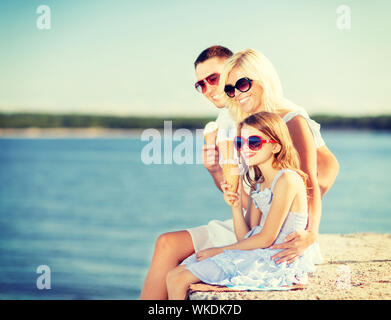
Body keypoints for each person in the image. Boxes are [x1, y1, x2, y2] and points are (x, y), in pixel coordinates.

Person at [140, 46, 339, 300]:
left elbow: (315, 176)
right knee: (168, 248)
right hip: (252, 227)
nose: (212, 89)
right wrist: (215, 171)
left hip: (275, 237)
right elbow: (251, 197)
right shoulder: (238, 123)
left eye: (216, 79)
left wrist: (309, 233)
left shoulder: (285, 119)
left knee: (179, 266)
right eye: (228, 88)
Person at [167, 112, 318, 300]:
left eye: (254, 142)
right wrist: (236, 205)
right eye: (240, 143)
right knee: (172, 275)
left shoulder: (287, 179)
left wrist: (220, 250)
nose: (245, 148)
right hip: (258, 252)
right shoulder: (259, 182)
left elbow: (266, 238)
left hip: (275, 260)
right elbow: (245, 236)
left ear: (276, 146)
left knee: (180, 280)